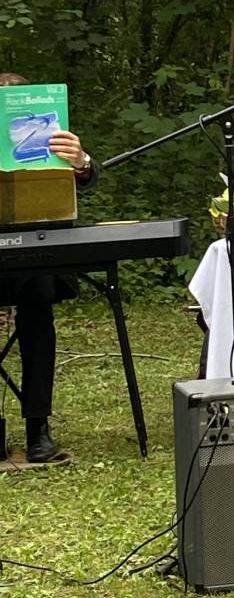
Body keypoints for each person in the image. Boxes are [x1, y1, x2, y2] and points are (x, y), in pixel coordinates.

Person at [0, 73, 99, 463]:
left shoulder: (52, 135)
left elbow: (89, 179)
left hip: (36, 251)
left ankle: (37, 426)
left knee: (38, 311)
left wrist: (82, 161)